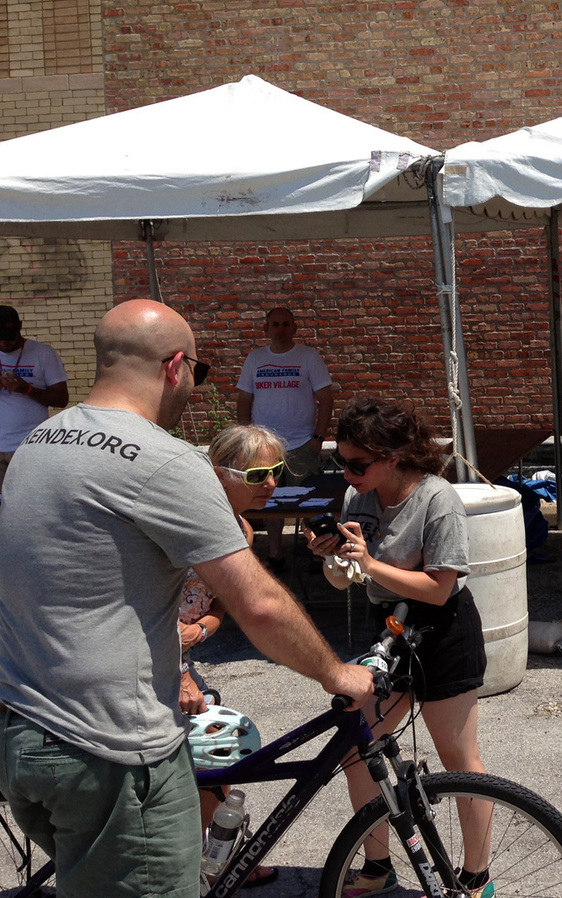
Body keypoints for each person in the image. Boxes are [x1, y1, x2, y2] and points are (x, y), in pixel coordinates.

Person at [0, 299, 373, 898]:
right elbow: (258, 604)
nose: (196, 389)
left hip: (27, 737)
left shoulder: (39, 443)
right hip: (112, 752)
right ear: (176, 366)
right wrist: (336, 672)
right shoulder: (163, 460)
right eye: (198, 373)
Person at [306, 396, 492, 897]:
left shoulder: (438, 499)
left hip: (442, 629)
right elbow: (345, 582)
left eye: (357, 463)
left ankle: (476, 877)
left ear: (395, 455)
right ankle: (377, 863)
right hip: (387, 630)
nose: (347, 473)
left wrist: (365, 564)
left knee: (458, 758)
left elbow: (439, 587)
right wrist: (332, 558)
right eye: (339, 461)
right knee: (359, 748)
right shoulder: (357, 499)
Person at [178, 423, 289, 888]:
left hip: (180, 656)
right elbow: (138, 601)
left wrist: (202, 628)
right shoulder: (185, 521)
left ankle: (219, 861)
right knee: (204, 757)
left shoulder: (242, 529)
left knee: (217, 753)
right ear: (219, 475)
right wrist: (179, 669)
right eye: (257, 474)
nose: (271, 483)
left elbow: (225, 603)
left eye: (277, 470)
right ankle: (209, 868)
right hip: (147, 658)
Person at [237, 305, 333, 572]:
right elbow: (244, 399)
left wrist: (318, 436)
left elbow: (326, 398)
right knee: (270, 501)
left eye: (286, 324)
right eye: (275, 325)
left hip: (302, 442)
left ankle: (319, 552)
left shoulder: (308, 357)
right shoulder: (255, 359)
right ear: (266, 329)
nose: (281, 329)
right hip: (265, 446)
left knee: (311, 501)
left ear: (294, 328)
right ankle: (276, 555)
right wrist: (246, 439)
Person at [0, 304, 68, 490]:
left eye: (9, 337)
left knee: (25, 501)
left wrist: (26, 389)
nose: (4, 343)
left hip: (28, 445)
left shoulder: (43, 353)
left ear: (20, 326)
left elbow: (61, 400)